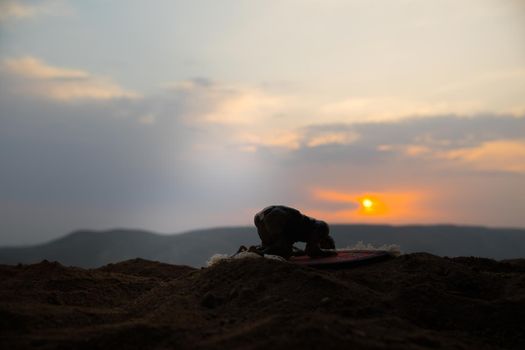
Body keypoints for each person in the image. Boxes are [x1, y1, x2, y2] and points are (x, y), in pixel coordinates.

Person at [251, 205, 336, 259]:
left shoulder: (298, 231)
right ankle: (257, 254)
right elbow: (312, 252)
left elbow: (290, 240)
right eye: (323, 246)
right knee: (283, 250)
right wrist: (330, 252)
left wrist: (298, 252)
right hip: (276, 215)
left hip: (260, 217)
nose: (320, 246)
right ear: (326, 239)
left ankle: (254, 252)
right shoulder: (323, 227)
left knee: (274, 249)